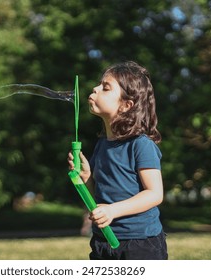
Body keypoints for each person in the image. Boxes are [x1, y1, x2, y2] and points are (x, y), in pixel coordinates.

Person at [68, 61, 168, 260]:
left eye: (105, 88)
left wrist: (113, 210)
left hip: (140, 243)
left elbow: (155, 194)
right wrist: (87, 179)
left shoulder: (141, 145)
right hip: (103, 239)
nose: (95, 89)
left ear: (126, 105)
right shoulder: (102, 144)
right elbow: (101, 194)